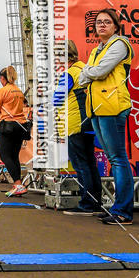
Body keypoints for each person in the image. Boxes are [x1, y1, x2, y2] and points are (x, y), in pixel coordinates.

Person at [79, 8, 135, 225]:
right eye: (99, 22)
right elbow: (85, 77)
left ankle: (123, 211)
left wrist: (89, 72)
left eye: (107, 22)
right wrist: (90, 73)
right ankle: (118, 207)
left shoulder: (119, 44)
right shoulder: (96, 50)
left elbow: (99, 71)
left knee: (118, 159)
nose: (102, 25)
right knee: (114, 159)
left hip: (113, 107)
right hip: (97, 108)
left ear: (116, 26)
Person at [54, 40, 103, 216]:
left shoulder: (69, 74)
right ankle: (96, 203)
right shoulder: (85, 68)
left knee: (81, 165)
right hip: (89, 122)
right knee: (90, 163)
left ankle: (87, 204)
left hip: (74, 124)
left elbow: (56, 99)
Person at [0, 66, 28, 197]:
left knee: (5, 156)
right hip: (21, 125)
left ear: (3, 78)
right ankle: (17, 185)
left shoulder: (2, 91)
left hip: (7, 125)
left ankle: (18, 184)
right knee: (14, 156)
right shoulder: (19, 91)